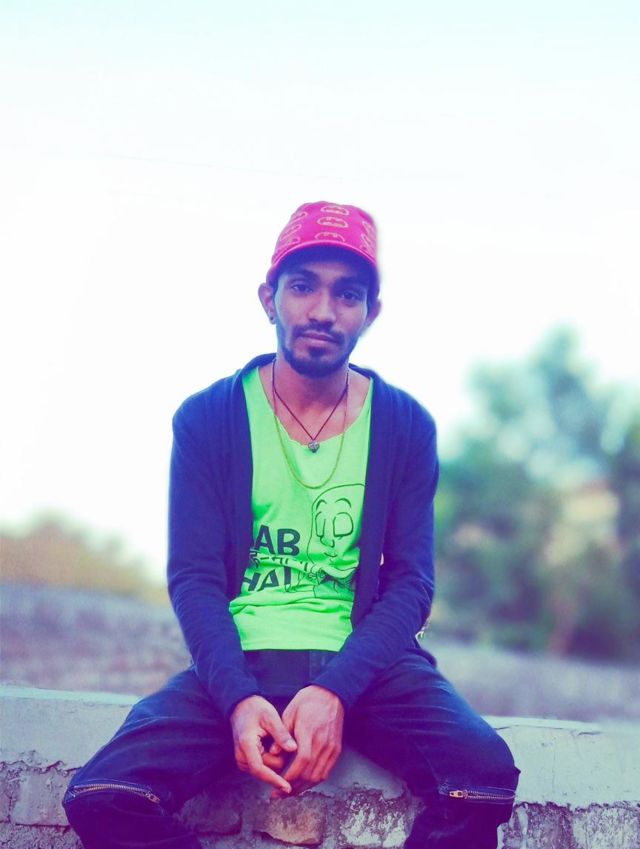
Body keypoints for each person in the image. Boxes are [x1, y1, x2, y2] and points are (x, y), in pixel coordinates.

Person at [63, 201, 519, 849]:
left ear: (371, 312)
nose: (323, 310)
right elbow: (194, 577)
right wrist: (236, 699)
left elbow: (411, 583)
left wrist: (334, 691)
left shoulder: (404, 425)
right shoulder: (209, 418)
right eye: (303, 286)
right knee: (106, 796)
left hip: (367, 665)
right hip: (240, 659)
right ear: (268, 298)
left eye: (347, 293)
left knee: (482, 779)